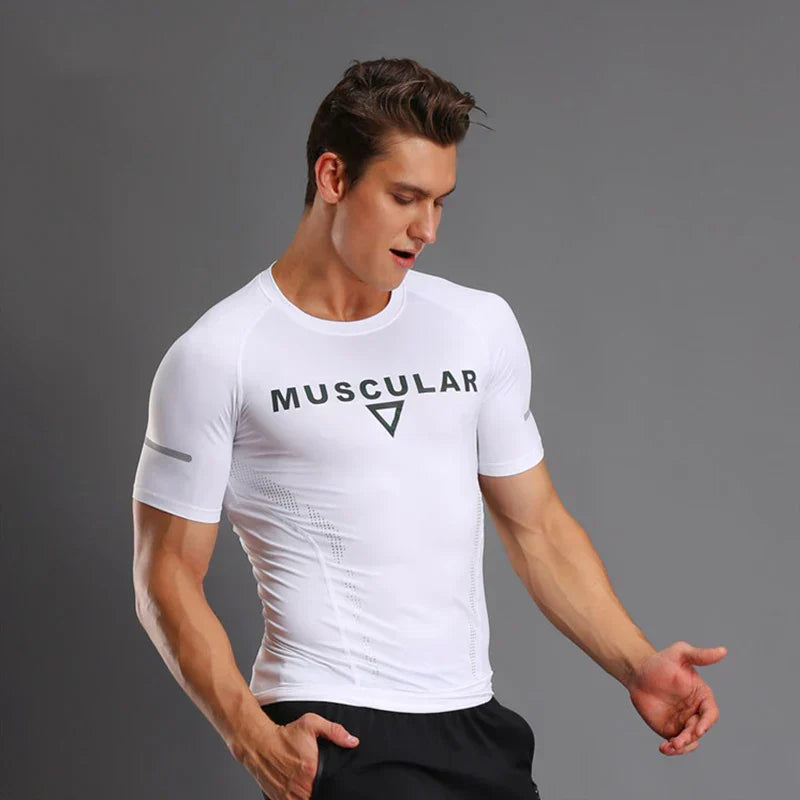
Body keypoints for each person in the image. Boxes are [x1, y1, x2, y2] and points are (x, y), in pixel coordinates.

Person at [131, 57, 726, 800]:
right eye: (405, 197)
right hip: (337, 728)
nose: (427, 229)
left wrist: (637, 664)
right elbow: (164, 575)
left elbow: (536, 527)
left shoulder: (476, 325)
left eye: (440, 202)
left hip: (475, 724)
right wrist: (252, 738)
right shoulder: (220, 354)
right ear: (332, 177)